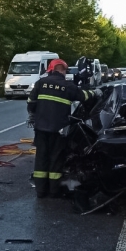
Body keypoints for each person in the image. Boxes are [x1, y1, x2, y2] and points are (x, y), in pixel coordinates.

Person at [27, 59, 102, 198]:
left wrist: (34, 114)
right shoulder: (68, 86)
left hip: (41, 129)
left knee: (41, 157)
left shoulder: (40, 83)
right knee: (56, 159)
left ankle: (41, 191)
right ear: (63, 70)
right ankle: (54, 191)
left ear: (51, 69)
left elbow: (31, 103)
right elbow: (83, 96)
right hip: (58, 130)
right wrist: (95, 92)